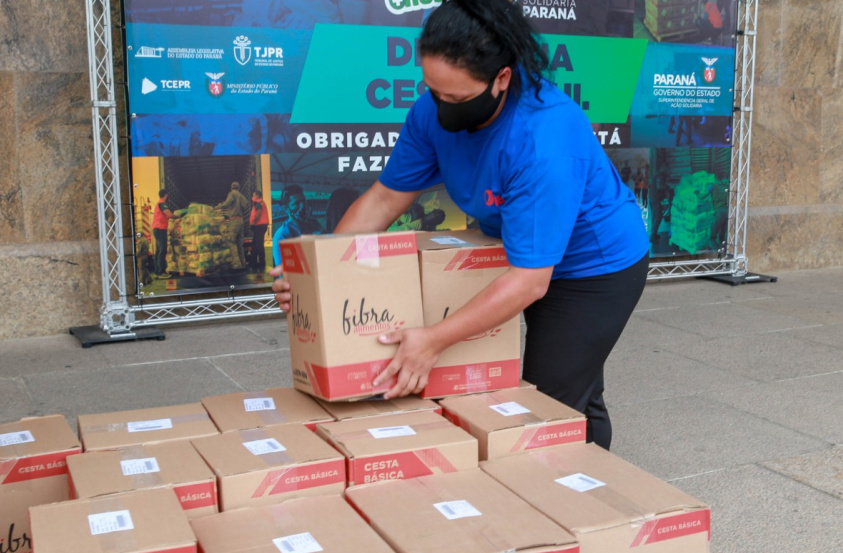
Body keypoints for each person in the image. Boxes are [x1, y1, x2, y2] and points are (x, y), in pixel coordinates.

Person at [271, 0, 649, 450]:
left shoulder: (542, 138)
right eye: (433, 91)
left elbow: (530, 281)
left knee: (544, 410)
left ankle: (565, 503)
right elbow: (385, 197)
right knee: (576, 391)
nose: (442, 108)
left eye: (457, 98)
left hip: (594, 267)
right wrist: (322, 275)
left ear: (502, 79)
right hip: (522, 254)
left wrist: (432, 341)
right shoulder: (432, 112)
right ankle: (594, 491)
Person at [271, 185, 321, 266]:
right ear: (286, 209)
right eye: (296, 203)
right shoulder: (283, 235)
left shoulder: (314, 224)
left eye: (303, 201)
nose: (302, 206)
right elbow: (285, 273)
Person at [215, 181, 251, 271]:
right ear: (239, 188)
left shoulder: (232, 194)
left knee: (231, 242)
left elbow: (227, 203)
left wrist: (218, 206)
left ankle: (236, 265)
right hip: (241, 220)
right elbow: (246, 206)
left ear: (231, 188)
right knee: (239, 244)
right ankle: (243, 264)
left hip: (234, 220)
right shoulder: (242, 197)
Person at [152, 190, 180, 278]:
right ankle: (161, 272)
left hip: (156, 229)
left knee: (158, 251)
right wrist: (179, 216)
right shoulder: (162, 204)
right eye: (167, 195)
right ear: (166, 195)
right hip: (160, 229)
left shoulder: (158, 204)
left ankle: (157, 271)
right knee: (162, 250)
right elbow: (169, 214)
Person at [249, 190, 270, 273]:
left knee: (258, 244)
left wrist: (253, 222)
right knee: (257, 243)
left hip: (259, 225)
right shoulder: (261, 202)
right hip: (262, 225)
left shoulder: (257, 202)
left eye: (254, 194)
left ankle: (259, 263)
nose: (253, 196)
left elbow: (258, 213)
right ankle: (256, 261)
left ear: (257, 195)